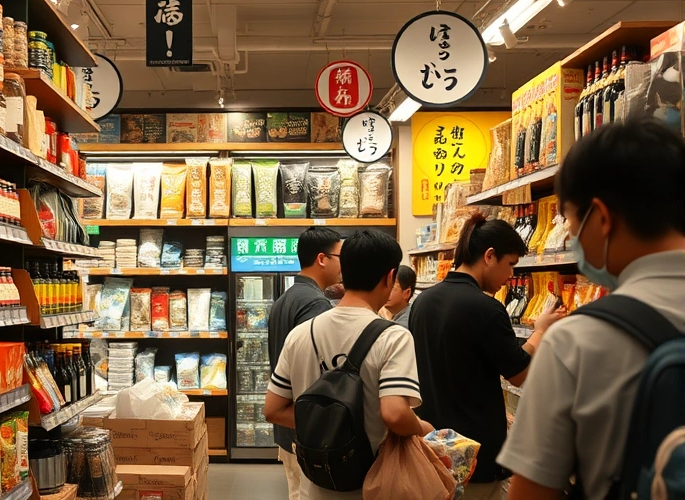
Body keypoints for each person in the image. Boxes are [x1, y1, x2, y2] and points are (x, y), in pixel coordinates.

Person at [499, 120, 685, 500]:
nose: (568, 235)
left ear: (601, 217)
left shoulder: (576, 342)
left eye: (568, 218)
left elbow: (531, 495)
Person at [264, 230, 431, 500]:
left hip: (316, 484)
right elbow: (395, 414)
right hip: (373, 485)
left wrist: (324, 423)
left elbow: (272, 409)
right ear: (390, 277)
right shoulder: (394, 337)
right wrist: (423, 428)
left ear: (344, 272)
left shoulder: (301, 334)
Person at [408, 215, 562, 500]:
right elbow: (519, 373)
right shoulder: (486, 308)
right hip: (474, 456)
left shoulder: (422, 302)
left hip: (433, 450)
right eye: (511, 265)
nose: (508, 277)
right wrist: (540, 332)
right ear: (490, 256)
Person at [267, 227, 340, 500]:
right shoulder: (316, 306)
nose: (343, 265)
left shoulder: (284, 300)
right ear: (322, 259)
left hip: (288, 427)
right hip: (307, 432)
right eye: (340, 256)